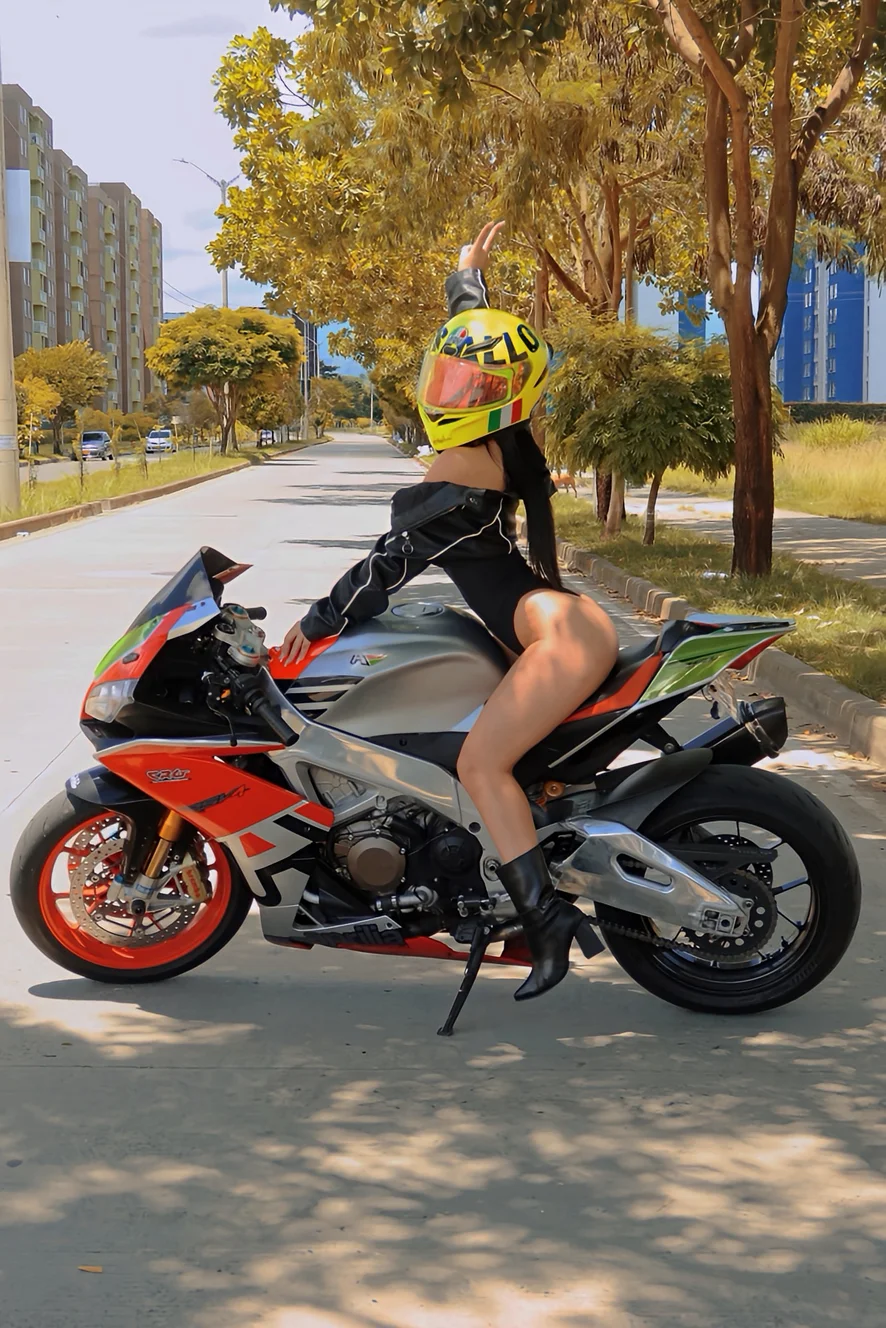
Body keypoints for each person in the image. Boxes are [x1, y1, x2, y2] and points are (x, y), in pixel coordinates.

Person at [280, 222, 619, 1001]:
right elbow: (486, 356)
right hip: (558, 627)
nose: (456, 390)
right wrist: (467, 280)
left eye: (468, 386)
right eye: (452, 379)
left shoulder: (465, 466)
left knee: (481, 765)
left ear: (492, 400)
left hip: (561, 639)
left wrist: (319, 621)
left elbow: (389, 565)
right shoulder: (502, 437)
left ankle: (548, 926)